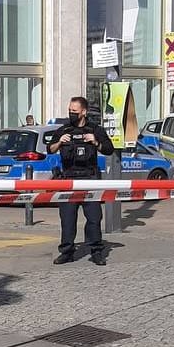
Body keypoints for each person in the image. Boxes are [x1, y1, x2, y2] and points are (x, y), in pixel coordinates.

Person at [48, 96, 114, 266]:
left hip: (89, 179)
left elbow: (108, 149)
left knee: (94, 218)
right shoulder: (64, 130)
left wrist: (95, 141)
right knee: (67, 219)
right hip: (68, 179)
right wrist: (59, 143)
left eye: (74, 111)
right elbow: (50, 149)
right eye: (70, 111)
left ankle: (96, 251)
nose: (71, 114)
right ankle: (67, 251)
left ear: (83, 112)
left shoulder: (95, 129)